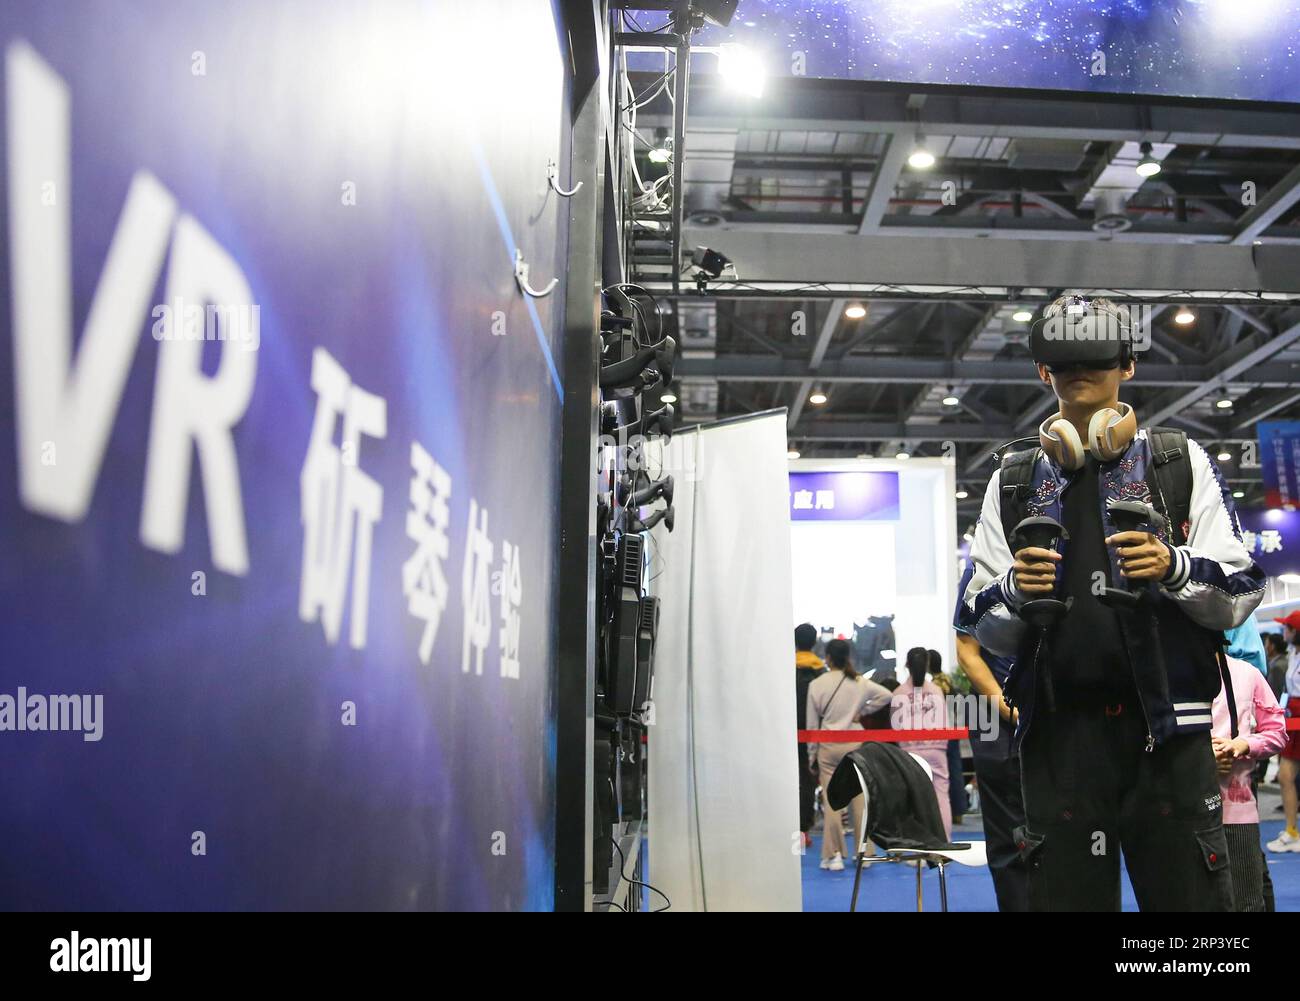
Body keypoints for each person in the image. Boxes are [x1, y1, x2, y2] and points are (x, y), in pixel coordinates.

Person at [959, 294, 1265, 912]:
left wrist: (1173, 567)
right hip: (1059, 740)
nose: (1080, 370)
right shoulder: (1015, 479)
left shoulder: (1177, 463)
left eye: (1096, 356)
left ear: (1127, 364)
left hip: (1169, 738)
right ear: (1042, 371)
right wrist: (1016, 591)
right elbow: (977, 623)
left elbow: (1242, 589)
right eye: (1063, 360)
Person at [954, 561, 1029, 911]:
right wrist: (1007, 709)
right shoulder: (981, 567)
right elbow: (967, 651)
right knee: (1008, 839)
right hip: (999, 726)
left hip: (1058, 718)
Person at [806, 639, 892, 871]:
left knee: (832, 800)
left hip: (828, 746)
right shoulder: (860, 682)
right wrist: (862, 711)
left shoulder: (817, 684)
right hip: (855, 743)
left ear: (828, 658)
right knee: (860, 798)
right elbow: (885, 695)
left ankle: (833, 855)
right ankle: (864, 853)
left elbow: (812, 724)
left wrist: (811, 755)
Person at [1212, 654, 1287, 910]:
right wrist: (1200, 759)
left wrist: (1244, 744)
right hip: (1181, 810)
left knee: (1247, 901)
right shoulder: (1164, 671)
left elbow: (1277, 731)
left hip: (1237, 810)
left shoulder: (1246, 672)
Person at [892, 647, 953, 839]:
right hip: (936, 750)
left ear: (907, 665)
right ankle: (945, 844)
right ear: (927, 665)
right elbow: (945, 722)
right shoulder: (936, 691)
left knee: (911, 799)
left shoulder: (898, 692)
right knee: (941, 796)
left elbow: (895, 727)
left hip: (910, 751)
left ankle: (914, 849)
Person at [1267, 610, 1300, 853]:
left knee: (1287, 775)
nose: (1283, 631)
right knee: (1286, 775)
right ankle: (1291, 830)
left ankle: (1292, 831)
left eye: (1287, 627)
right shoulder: (1292, 654)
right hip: (1293, 717)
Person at [794, 623, 828, 849]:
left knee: (788, 780)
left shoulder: (786, 669)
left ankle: (790, 827)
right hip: (813, 733)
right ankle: (804, 830)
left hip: (787, 733)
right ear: (814, 642)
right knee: (807, 781)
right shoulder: (821, 672)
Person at [928, 648, 969, 823]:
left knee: (943, 773)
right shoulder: (948, 680)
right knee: (955, 769)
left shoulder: (934, 685)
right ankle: (958, 811)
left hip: (941, 731)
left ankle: (945, 811)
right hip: (954, 729)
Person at [1265, 630, 1289, 702]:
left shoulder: (1276, 668)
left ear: (1272, 646)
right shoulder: (1287, 661)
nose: (1265, 647)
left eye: (1266, 644)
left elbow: (1277, 694)